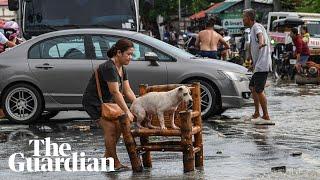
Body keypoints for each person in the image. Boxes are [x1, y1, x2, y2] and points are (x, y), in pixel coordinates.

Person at [82, 39, 136, 170]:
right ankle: (114, 162)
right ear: (119, 53)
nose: (131, 57)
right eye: (128, 54)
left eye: (132, 54)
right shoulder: (109, 67)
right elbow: (115, 92)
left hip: (109, 103)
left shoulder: (122, 67)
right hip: (95, 103)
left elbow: (127, 91)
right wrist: (127, 112)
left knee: (118, 128)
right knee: (111, 130)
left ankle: (108, 157)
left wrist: (138, 105)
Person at [243, 9, 273, 124]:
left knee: (259, 90)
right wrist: (251, 59)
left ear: (250, 18)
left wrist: (261, 43)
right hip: (258, 64)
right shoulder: (252, 29)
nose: (242, 19)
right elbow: (252, 45)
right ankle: (257, 113)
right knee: (252, 88)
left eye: (244, 17)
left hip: (263, 64)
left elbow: (260, 36)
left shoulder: (256, 26)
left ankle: (266, 115)